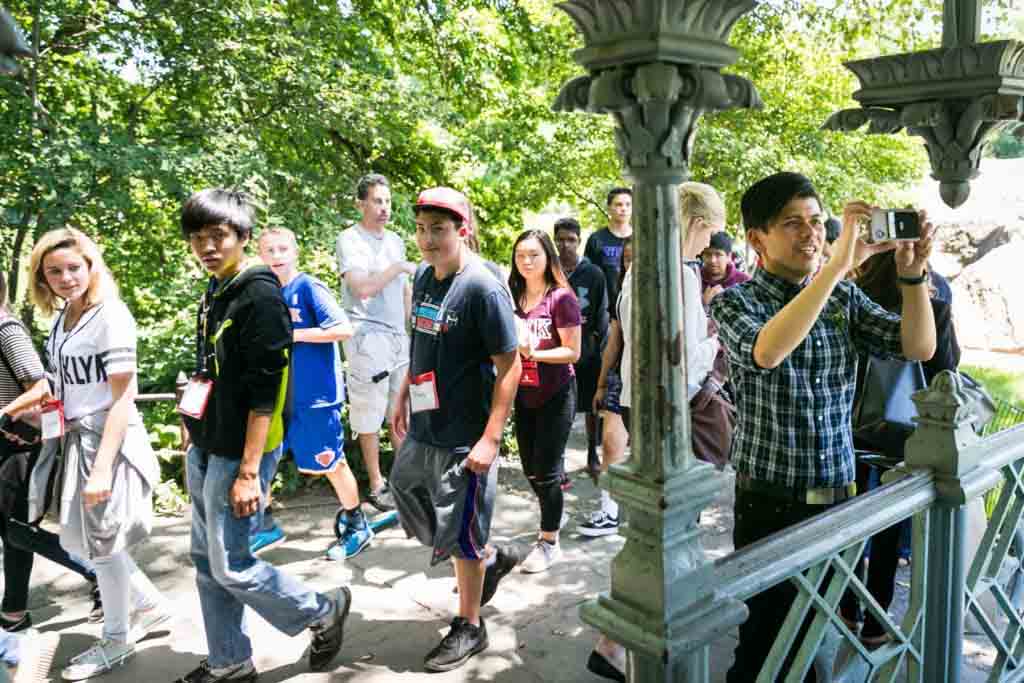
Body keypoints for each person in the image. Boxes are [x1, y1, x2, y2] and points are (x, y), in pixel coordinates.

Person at [710, 172, 937, 682]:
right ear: (757, 239)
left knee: (813, 633)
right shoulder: (735, 301)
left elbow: (918, 346)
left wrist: (914, 274)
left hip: (837, 495)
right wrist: (837, 267)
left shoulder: (842, 298)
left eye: (815, 221)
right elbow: (768, 352)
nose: (810, 233)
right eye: (792, 223)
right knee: (765, 647)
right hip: (770, 501)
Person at [176, 189, 348, 683]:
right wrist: (193, 428)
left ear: (242, 238)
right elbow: (210, 370)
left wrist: (251, 471)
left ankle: (321, 608)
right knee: (206, 560)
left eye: (218, 237)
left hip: (242, 450)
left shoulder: (260, 295)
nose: (207, 247)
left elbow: (265, 390)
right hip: (208, 440)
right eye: (198, 239)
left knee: (231, 563)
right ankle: (230, 660)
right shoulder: (217, 288)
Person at [27, 228, 169, 681]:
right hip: (74, 439)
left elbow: (123, 399)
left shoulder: (112, 315)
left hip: (107, 440)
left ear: (91, 267)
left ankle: (116, 638)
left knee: (102, 545)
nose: (66, 277)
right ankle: (150, 606)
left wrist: (103, 466)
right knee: (79, 541)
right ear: (42, 278)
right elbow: (66, 384)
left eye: (74, 267)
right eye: (54, 271)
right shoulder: (62, 317)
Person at [389, 187, 521, 672]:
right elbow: (419, 344)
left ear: (461, 229)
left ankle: (469, 624)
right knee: (405, 491)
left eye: (438, 230)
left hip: (466, 434)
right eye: (421, 229)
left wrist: (491, 438)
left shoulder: (483, 288)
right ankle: (488, 556)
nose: (427, 239)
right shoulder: (424, 276)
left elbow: (509, 366)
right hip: (425, 426)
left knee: (461, 533)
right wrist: (402, 393)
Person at [838, 250, 960, 648]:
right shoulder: (933, 307)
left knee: (847, 517)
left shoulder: (854, 297)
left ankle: (845, 606)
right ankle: (876, 619)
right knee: (889, 525)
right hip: (904, 429)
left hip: (850, 424)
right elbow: (946, 366)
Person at [257, 227, 377, 561]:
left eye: (283, 249)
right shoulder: (265, 293)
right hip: (278, 395)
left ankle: (357, 525)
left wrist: (294, 335)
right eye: (270, 250)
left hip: (316, 396)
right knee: (260, 457)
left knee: (329, 462)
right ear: (260, 256)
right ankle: (263, 525)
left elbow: (342, 328)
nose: (277, 256)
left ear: (295, 252)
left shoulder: (308, 286)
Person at [0, 271, 102, 633]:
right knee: (10, 530)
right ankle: (12, 613)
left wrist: (4, 415)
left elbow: (40, 387)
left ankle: (100, 576)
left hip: (18, 443)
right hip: (5, 442)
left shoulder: (6, 330)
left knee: (17, 528)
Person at [336, 173, 417, 511]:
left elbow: (403, 291)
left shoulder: (395, 239)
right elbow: (362, 288)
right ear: (361, 204)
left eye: (388, 201)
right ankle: (377, 483)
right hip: (367, 336)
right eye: (377, 201)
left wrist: (416, 327)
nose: (384, 208)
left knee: (403, 412)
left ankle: (405, 482)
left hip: (399, 336)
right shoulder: (349, 239)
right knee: (368, 412)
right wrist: (398, 267)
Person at [508, 229, 581, 573]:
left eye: (533, 255)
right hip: (522, 393)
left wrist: (533, 351)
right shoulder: (513, 295)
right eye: (520, 255)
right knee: (530, 470)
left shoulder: (561, 299)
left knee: (547, 471)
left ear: (547, 258)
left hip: (557, 393)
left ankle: (549, 541)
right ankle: (554, 512)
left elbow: (573, 352)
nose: (526, 261)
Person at [576, 237, 632, 539]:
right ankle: (608, 511)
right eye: (626, 260)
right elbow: (614, 340)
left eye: (636, 259)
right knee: (611, 443)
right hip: (621, 376)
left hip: (659, 382)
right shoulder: (622, 294)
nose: (631, 264)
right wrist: (601, 382)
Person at [554, 218, 608, 484]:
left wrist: (602, 347)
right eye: (561, 239)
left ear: (579, 240)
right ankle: (559, 459)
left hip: (587, 352)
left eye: (571, 239)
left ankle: (591, 453)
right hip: (558, 351)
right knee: (561, 408)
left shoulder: (594, 274)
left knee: (591, 408)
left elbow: (602, 312)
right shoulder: (549, 271)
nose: (565, 245)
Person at [701, 231, 750, 306]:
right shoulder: (695, 278)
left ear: (729, 257)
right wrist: (703, 303)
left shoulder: (744, 282)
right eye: (708, 254)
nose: (712, 260)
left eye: (718, 254)